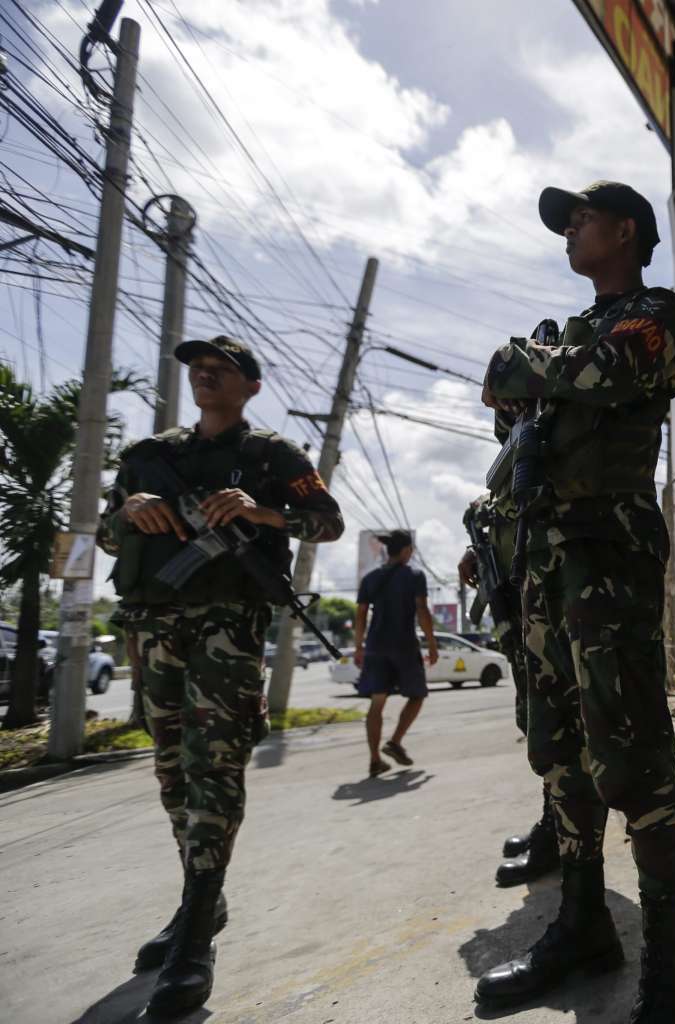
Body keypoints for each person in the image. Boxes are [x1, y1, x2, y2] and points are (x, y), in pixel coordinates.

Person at [474, 180, 675, 1022]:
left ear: (626, 230)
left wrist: (524, 367)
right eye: (565, 222)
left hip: (607, 550)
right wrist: (520, 398)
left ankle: (670, 968)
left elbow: (609, 374)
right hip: (546, 555)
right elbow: (523, 430)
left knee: (633, 754)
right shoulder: (572, 331)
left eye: (582, 218)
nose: (569, 230)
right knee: (561, 750)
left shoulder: (652, 312)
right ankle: (582, 921)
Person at [98, 335, 344, 1016]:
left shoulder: (272, 456)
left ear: (251, 387)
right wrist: (128, 513)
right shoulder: (148, 457)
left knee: (215, 764)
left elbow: (327, 524)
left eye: (221, 368)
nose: (204, 374)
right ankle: (201, 900)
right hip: (153, 626)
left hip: (226, 627)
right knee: (171, 769)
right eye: (197, 367)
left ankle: (195, 939)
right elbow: (104, 534)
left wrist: (262, 512)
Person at [458, 491, 559, 887]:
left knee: (555, 725)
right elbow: (497, 503)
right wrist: (477, 549)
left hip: (548, 599)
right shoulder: (509, 472)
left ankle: (563, 835)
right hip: (516, 604)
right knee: (534, 719)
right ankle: (555, 823)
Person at [354, 529, 437, 776]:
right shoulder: (414, 576)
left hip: (375, 647)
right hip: (404, 645)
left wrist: (359, 647)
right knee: (417, 695)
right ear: (406, 550)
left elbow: (360, 615)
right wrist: (432, 643)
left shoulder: (370, 578)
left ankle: (375, 759)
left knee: (377, 703)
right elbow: (422, 610)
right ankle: (395, 741)